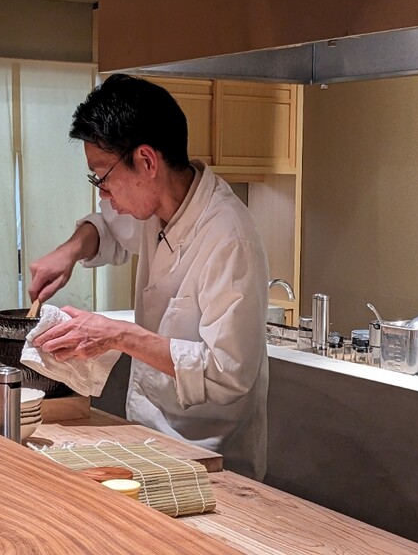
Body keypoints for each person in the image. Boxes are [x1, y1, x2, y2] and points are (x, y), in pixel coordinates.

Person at [29, 74, 269, 480]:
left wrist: (117, 335)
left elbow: (227, 372)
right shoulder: (154, 205)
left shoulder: (230, 238)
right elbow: (106, 229)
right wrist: (68, 252)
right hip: (146, 439)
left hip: (210, 457)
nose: (102, 194)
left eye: (102, 177)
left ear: (146, 162)